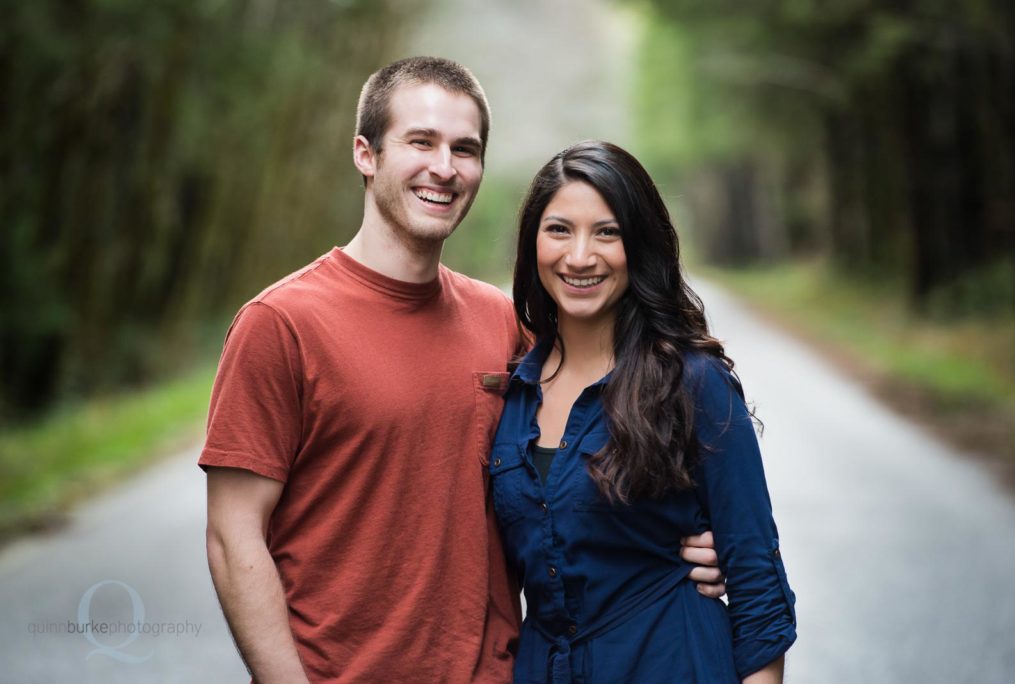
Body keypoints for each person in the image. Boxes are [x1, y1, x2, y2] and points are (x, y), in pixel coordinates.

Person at [201, 57, 724, 683]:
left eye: (465, 149)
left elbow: (599, 452)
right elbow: (234, 541)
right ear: (365, 154)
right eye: (420, 142)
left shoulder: (507, 325)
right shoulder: (281, 325)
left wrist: (680, 543)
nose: (444, 168)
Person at [491, 140, 797, 683]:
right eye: (559, 229)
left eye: (607, 232)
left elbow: (757, 586)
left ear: (639, 244)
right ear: (531, 243)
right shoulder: (514, 394)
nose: (580, 256)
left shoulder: (693, 382)